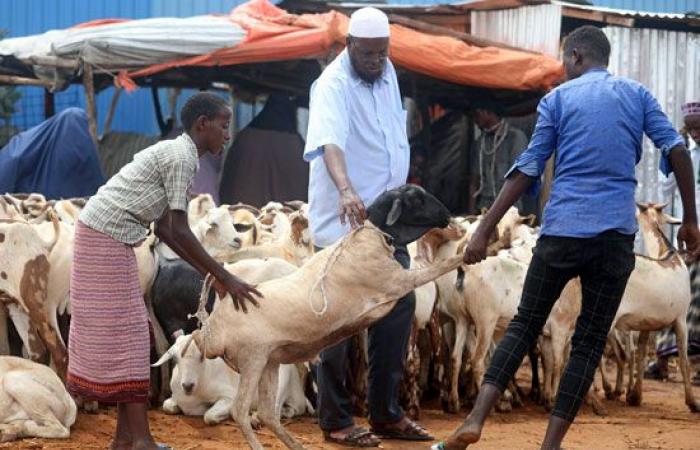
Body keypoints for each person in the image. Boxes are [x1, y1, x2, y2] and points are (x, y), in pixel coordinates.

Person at [435, 26, 700, 450]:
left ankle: (474, 420)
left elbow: (528, 167)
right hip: (614, 238)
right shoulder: (637, 95)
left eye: (563, 60)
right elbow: (677, 150)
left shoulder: (557, 99)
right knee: (590, 342)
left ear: (576, 56)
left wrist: (484, 229)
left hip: (561, 234)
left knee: (524, 325)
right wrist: (689, 218)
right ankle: (551, 445)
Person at [67, 92, 261, 450]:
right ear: (203, 124)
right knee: (132, 337)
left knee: (135, 334)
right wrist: (224, 275)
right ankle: (140, 439)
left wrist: (215, 274)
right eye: (224, 125)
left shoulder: (181, 154)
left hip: (110, 236)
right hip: (103, 237)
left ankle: (126, 439)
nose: (227, 135)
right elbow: (174, 229)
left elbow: (165, 227)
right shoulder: (181, 157)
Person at [303, 7, 431, 448]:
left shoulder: (387, 71)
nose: (377, 60)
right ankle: (335, 419)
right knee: (336, 321)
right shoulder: (332, 84)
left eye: (383, 52)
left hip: (387, 222)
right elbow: (330, 141)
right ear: (350, 46)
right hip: (345, 221)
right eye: (370, 53)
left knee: (398, 306)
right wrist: (346, 189)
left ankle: (386, 413)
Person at [646, 101, 700, 381]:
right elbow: (665, 185)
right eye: (690, 129)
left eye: (699, 129)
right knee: (675, 299)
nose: (695, 134)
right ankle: (663, 360)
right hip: (689, 234)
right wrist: (673, 154)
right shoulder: (685, 151)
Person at [219, 93, 308, 207]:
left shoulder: (244, 139)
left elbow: (227, 184)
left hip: (242, 217)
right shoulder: (297, 146)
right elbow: (304, 191)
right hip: (285, 221)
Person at [468, 105, 528, 212]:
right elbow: (474, 181)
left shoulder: (515, 138)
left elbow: (519, 177)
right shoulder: (479, 143)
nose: (475, 119)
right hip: (484, 208)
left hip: (509, 210)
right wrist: (471, 212)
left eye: (477, 114)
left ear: (487, 112)